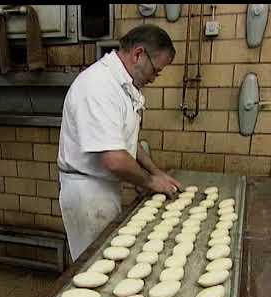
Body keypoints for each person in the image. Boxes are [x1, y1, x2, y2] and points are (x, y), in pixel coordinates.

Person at [57, 24, 182, 262]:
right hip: (87, 193)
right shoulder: (98, 85)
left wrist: (157, 173)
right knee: (91, 267)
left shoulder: (124, 86)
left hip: (103, 187)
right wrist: (149, 181)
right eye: (155, 71)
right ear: (138, 54)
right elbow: (115, 159)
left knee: (106, 260)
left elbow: (126, 144)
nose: (154, 79)